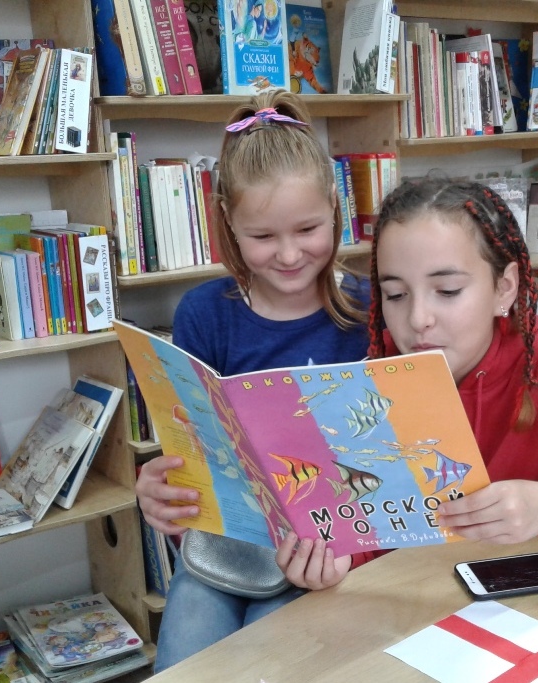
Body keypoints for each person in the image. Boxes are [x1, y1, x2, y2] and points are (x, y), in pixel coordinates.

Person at [276, 177, 538, 591]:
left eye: (448, 290)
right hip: (418, 604)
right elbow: (367, 522)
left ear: (503, 289)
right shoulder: (371, 381)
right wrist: (340, 558)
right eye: (396, 295)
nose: (418, 319)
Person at [135, 90, 369, 671]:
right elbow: (192, 455)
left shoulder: (370, 310)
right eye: (263, 236)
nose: (289, 255)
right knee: (185, 661)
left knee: (269, 663)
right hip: (224, 551)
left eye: (308, 228)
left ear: (335, 209)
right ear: (229, 226)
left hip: (325, 552)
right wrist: (164, 492)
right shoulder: (203, 314)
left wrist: (348, 550)